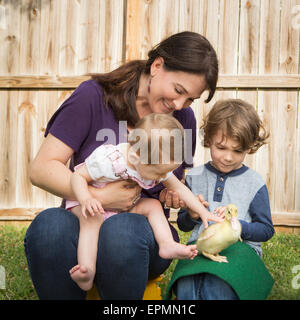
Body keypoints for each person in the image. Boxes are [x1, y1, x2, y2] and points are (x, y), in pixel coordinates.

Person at [25, 31, 219, 300]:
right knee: (48, 227)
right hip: (86, 218)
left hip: (139, 235)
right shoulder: (93, 97)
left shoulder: (182, 118)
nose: (179, 104)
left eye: (189, 99)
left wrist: (176, 197)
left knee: (122, 232)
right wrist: (101, 197)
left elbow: (172, 179)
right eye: (178, 91)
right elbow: (41, 169)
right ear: (157, 66)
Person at [68, 113, 225, 291]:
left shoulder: (153, 158)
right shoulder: (109, 159)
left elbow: (180, 189)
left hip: (121, 210)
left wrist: (203, 212)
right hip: (92, 206)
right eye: (158, 174)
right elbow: (77, 176)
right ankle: (87, 271)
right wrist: (87, 198)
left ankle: (166, 244)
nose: (161, 179)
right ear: (135, 158)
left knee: (153, 205)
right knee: (92, 220)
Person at [173, 98, 275, 300]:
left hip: (239, 249)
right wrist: (193, 214)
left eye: (238, 151)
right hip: (201, 246)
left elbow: (266, 230)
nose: (228, 157)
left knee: (217, 287)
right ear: (209, 139)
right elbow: (183, 225)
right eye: (221, 147)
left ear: (249, 147)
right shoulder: (194, 176)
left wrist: (237, 227)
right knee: (187, 287)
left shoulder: (254, 183)